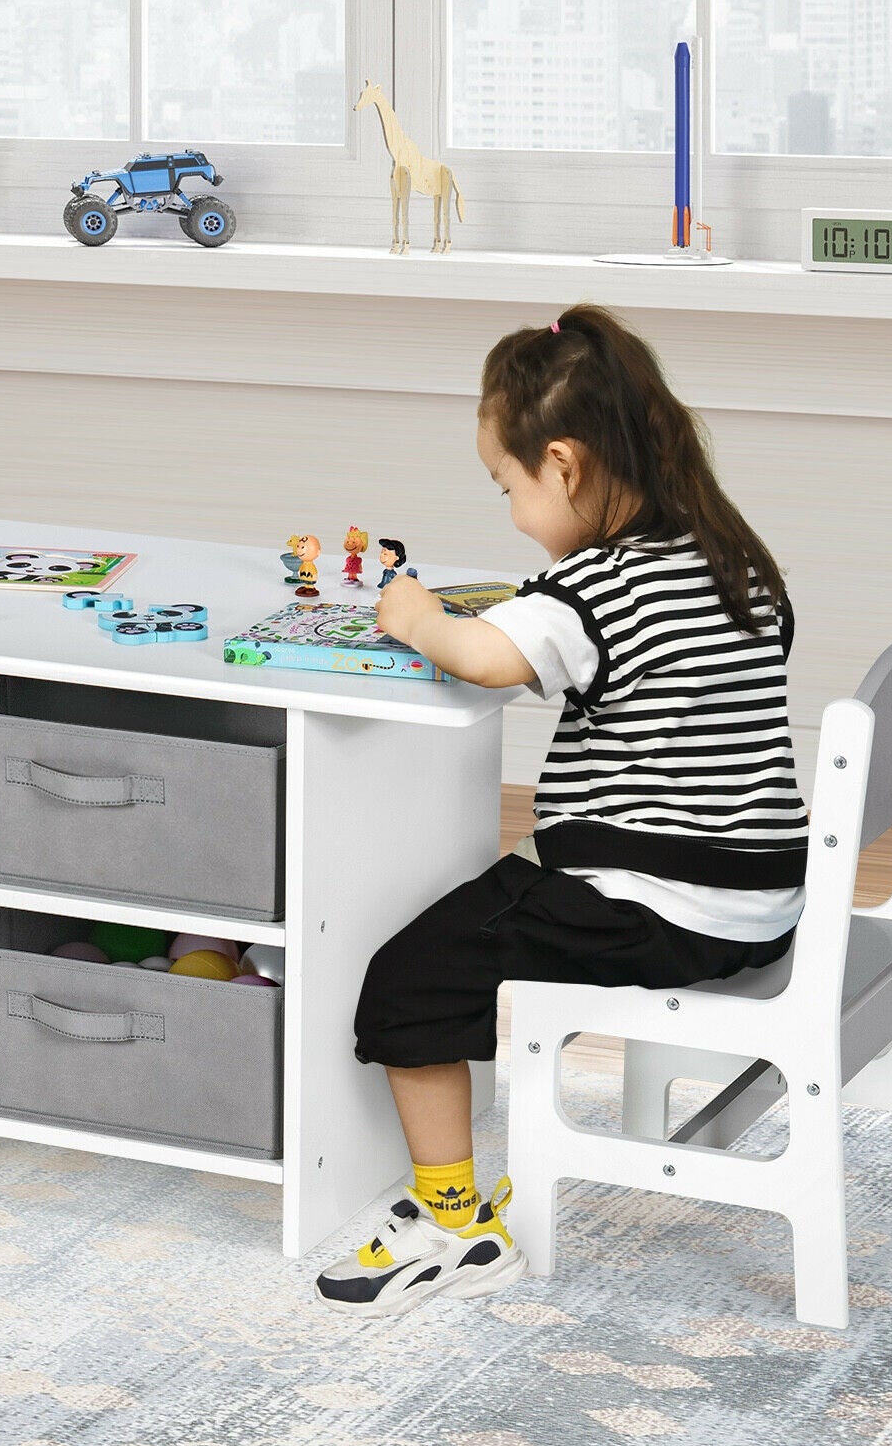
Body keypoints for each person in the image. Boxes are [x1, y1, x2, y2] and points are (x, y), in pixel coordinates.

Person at [314, 304, 807, 1317]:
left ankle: (450, 1216)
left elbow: (487, 653)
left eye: (508, 486)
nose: (510, 512)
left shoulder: (593, 590)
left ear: (565, 462)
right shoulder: (734, 561)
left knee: (406, 977)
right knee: (485, 906)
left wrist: (412, 612)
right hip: (759, 899)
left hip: (656, 908)